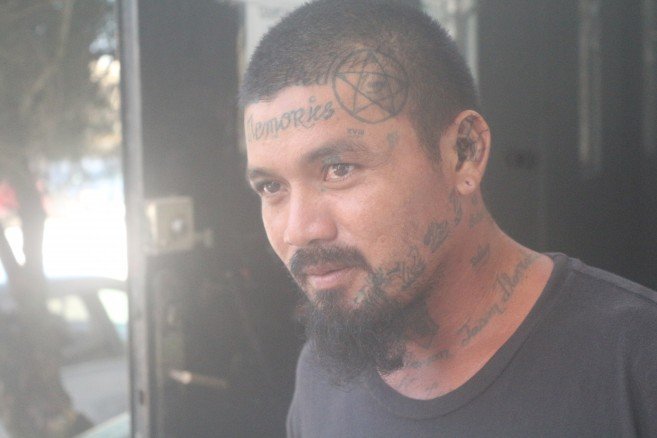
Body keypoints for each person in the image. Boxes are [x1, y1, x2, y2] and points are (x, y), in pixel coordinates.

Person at [239, 1, 657, 436]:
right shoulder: (323, 377)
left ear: (463, 152)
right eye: (271, 187)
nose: (299, 230)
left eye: (339, 169)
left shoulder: (637, 361)